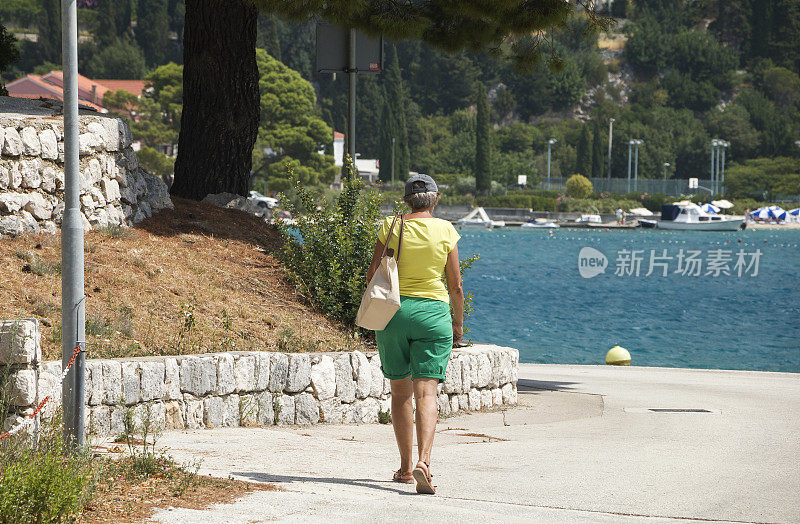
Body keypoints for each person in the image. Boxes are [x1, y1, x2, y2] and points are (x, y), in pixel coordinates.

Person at [365, 174, 463, 495]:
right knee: (427, 393)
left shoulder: (390, 227)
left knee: (400, 392)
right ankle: (425, 461)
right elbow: (456, 285)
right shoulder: (446, 231)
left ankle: (406, 469)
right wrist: (458, 324)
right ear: (435, 200)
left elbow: (373, 276)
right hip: (433, 315)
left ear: (407, 200)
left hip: (394, 313)